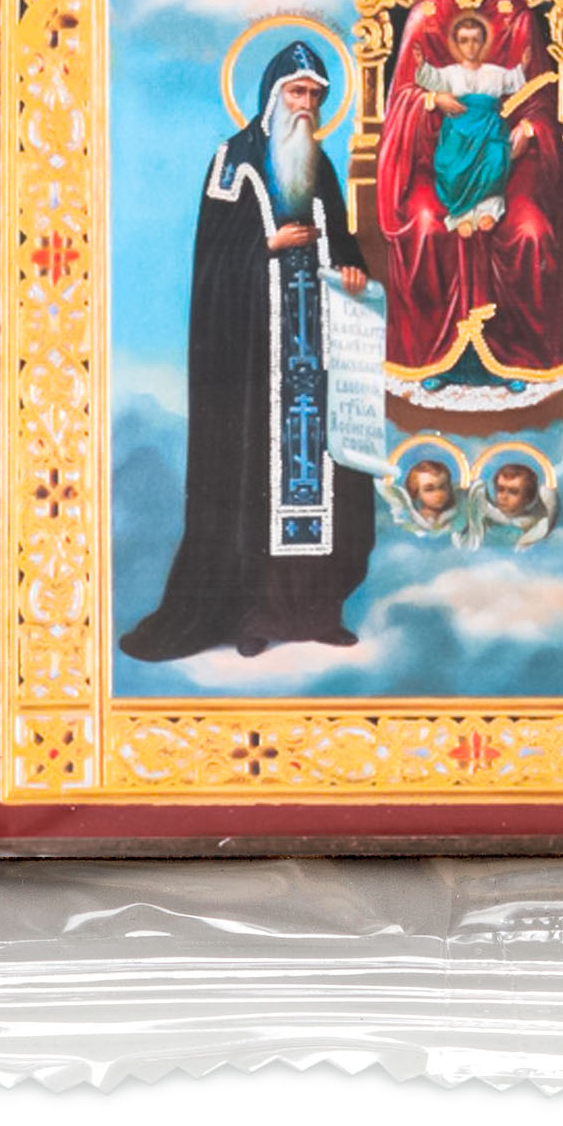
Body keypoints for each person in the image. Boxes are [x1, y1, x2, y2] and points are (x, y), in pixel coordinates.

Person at [119, 41, 374, 661]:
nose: (306, 105)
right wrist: (267, 245)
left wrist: (351, 267)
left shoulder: (318, 165)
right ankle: (255, 613)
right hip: (258, 359)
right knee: (258, 479)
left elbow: (342, 242)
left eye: (315, 96)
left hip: (317, 352)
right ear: (272, 95)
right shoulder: (232, 162)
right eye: (297, 92)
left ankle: (317, 611)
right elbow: (212, 263)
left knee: (323, 477)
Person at [376, 0, 563, 401]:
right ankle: (433, 357)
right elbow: (401, 95)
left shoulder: (516, 16)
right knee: (424, 226)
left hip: (506, 161)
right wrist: (430, 102)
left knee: (529, 231)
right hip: (435, 158)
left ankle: (514, 357)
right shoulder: (424, 16)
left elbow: (538, 92)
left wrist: (528, 132)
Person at [415, 13, 529, 235]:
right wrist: (421, 65)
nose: (470, 46)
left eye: (475, 40)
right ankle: (462, 216)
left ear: (484, 42)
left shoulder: (494, 72)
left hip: (489, 128)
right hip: (459, 130)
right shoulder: (450, 73)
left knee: (495, 161)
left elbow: (513, 80)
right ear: (457, 44)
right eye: (464, 40)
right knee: (454, 168)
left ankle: (488, 209)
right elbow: (431, 79)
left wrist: (524, 65)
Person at [455, 461, 559, 553]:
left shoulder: (535, 527)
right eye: (500, 489)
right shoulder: (482, 519)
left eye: (513, 492)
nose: (504, 497)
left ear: (528, 497)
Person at [379, 457, 463, 537]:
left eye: (443, 487)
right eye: (429, 489)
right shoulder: (412, 518)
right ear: (416, 492)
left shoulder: (457, 512)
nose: (438, 494)